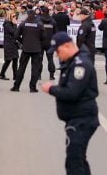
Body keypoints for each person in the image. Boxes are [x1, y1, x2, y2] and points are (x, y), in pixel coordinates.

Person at [41, 32, 99, 175]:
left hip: (82, 119)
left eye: (58, 51)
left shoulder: (81, 64)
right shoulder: (73, 62)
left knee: (74, 162)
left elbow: (72, 92)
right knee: (78, 159)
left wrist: (51, 89)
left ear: (67, 46)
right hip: (76, 118)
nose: (57, 55)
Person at [12, 8, 43, 92]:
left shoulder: (23, 24)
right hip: (36, 49)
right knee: (35, 69)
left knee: (21, 67)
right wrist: (38, 42)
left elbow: (16, 35)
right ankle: (32, 87)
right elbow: (44, 37)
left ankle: (16, 86)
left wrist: (22, 41)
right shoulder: (39, 24)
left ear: (27, 15)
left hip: (26, 48)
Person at [39, 6, 58, 80]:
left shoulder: (39, 21)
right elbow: (56, 33)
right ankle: (51, 75)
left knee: (39, 60)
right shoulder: (53, 21)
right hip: (50, 43)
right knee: (50, 59)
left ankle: (38, 75)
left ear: (42, 12)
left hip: (40, 42)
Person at [0, 11, 19, 80]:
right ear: (9, 16)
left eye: (15, 16)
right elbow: (13, 32)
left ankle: (15, 76)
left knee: (15, 59)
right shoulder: (7, 24)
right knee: (8, 60)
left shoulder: (12, 24)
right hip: (8, 44)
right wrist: (15, 25)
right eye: (13, 16)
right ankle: (1, 74)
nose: (15, 17)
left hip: (13, 43)